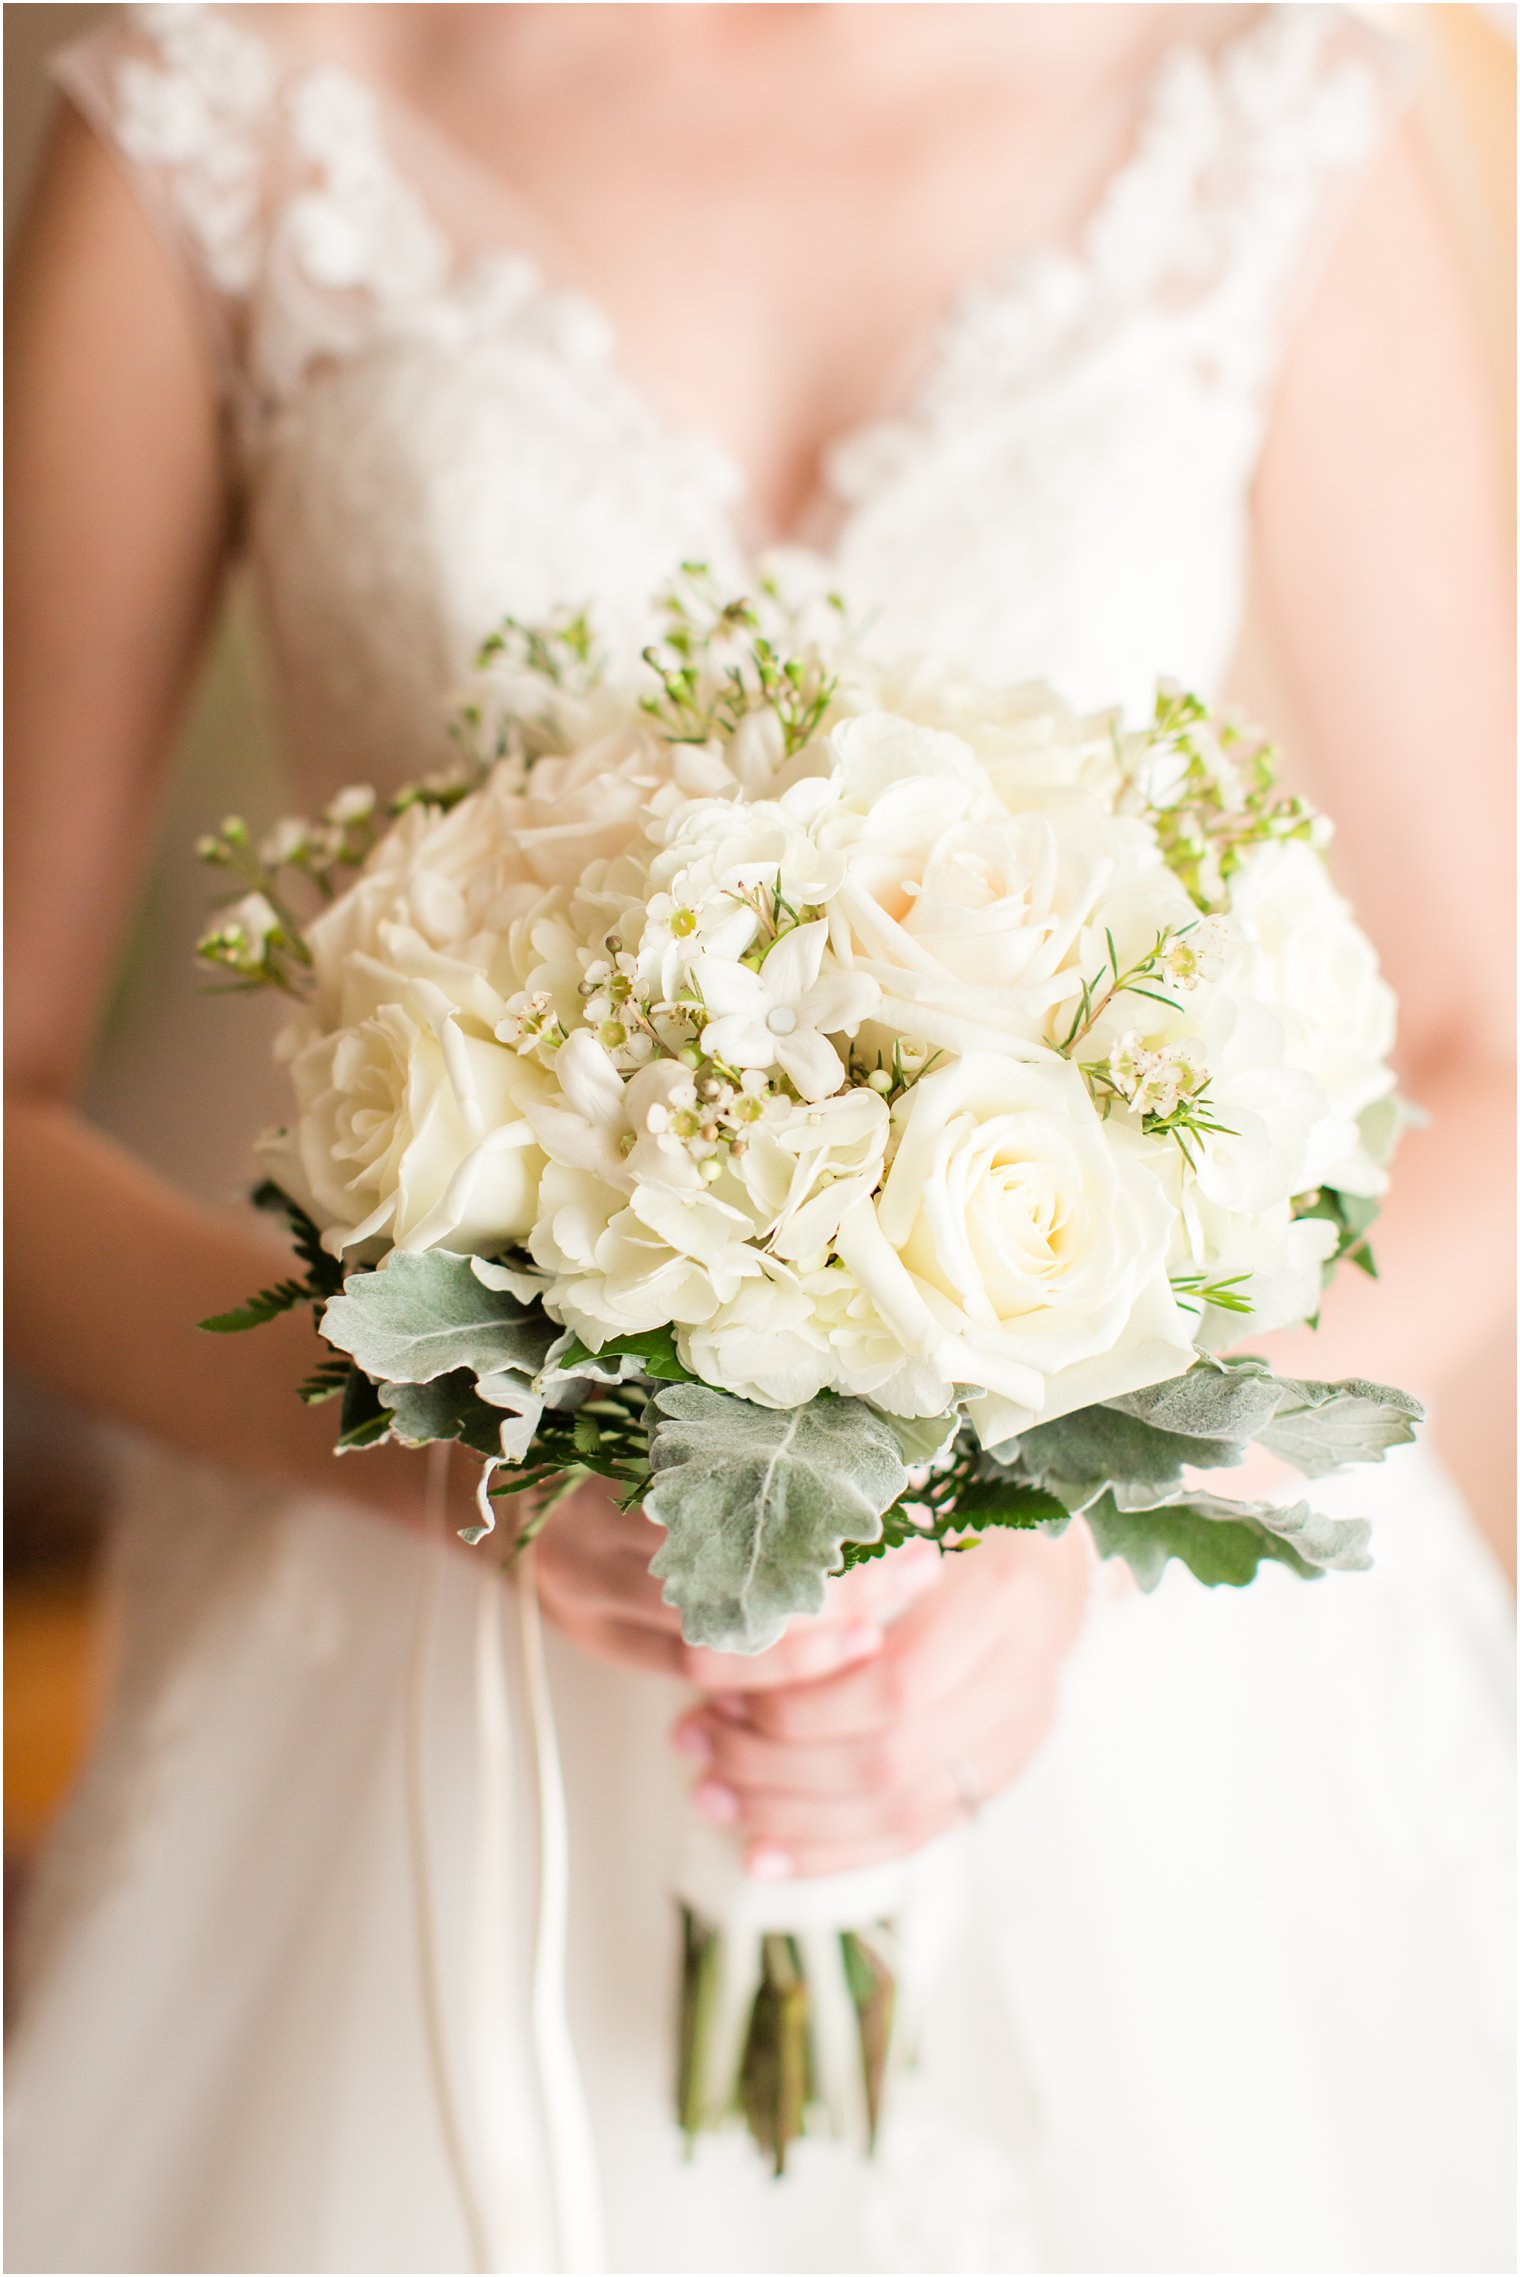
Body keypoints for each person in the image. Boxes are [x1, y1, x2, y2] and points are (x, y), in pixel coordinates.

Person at [5, 5, 1513, 2270]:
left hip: (1151, 1740)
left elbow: (1492, 1045)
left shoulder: (1269, 92)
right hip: (426, 1713)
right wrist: (458, 1464)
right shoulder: (229, 102)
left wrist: (1072, 1531)